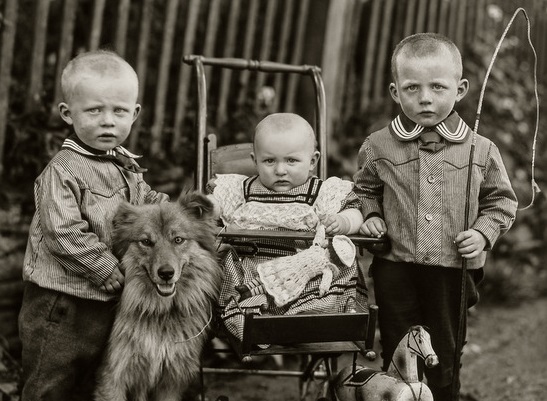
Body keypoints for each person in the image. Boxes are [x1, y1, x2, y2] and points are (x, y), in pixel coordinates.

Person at [353, 33, 518, 400]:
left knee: (443, 347)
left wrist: (482, 232)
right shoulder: (378, 145)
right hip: (395, 265)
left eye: (437, 87)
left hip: (452, 269)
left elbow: (501, 201)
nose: (425, 98)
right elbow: (363, 189)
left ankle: (444, 395)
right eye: (412, 88)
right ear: (396, 92)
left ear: (459, 89)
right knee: (398, 341)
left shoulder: (481, 149)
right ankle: (402, 394)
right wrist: (371, 213)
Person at [18, 50, 169, 400]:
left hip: (103, 302)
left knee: (90, 380)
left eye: (118, 111)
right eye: (94, 110)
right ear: (68, 114)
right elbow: (62, 231)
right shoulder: (63, 170)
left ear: (135, 114)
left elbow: (144, 202)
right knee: (50, 380)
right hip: (61, 304)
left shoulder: (122, 165)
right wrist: (102, 266)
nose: (107, 121)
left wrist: (174, 210)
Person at [208, 113, 365, 340]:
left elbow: (355, 210)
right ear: (255, 161)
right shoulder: (240, 190)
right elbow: (213, 204)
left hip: (304, 274)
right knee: (231, 275)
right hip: (253, 271)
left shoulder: (322, 193)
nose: (280, 170)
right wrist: (208, 207)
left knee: (336, 265)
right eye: (269, 161)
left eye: (291, 161)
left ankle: (302, 322)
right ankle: (255, 325)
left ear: (312, 161)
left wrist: (343, 222)